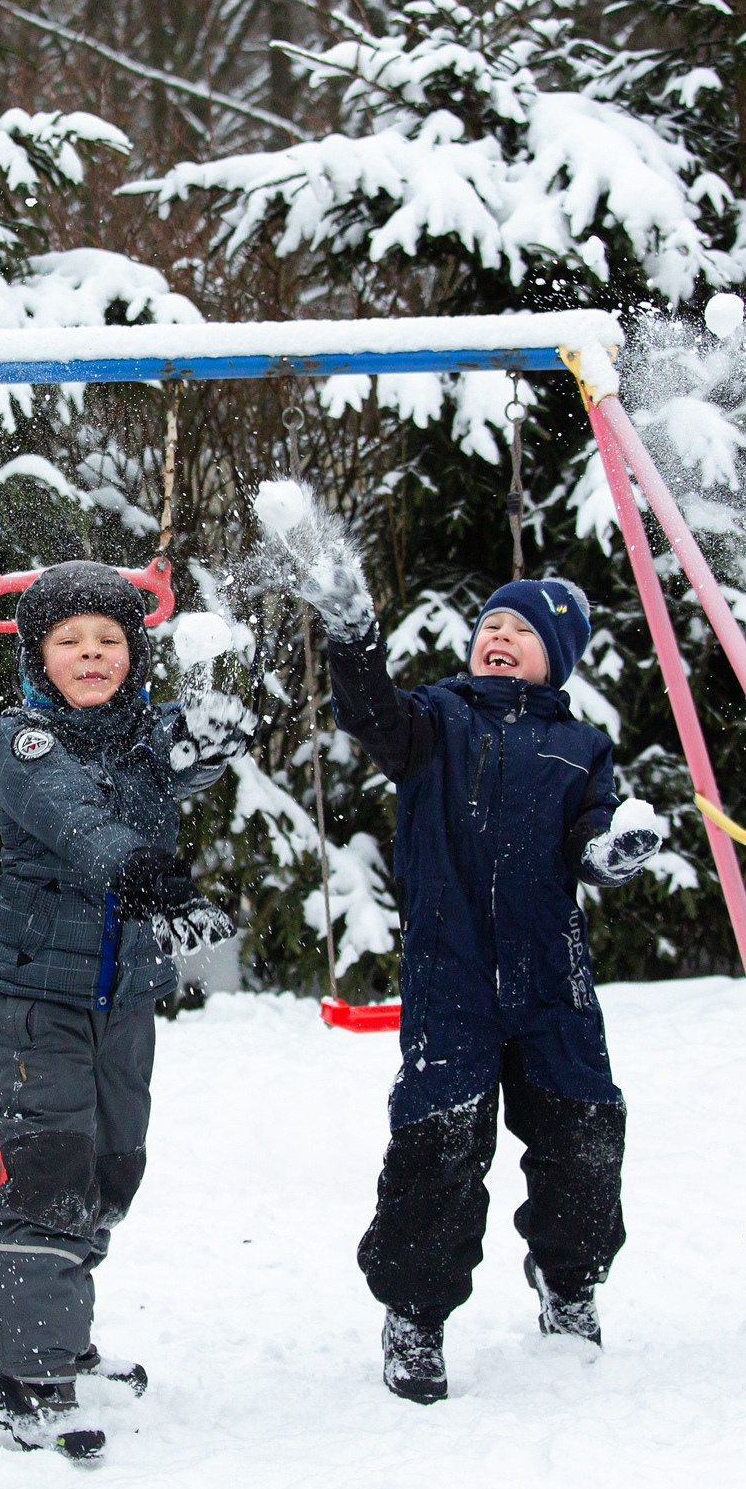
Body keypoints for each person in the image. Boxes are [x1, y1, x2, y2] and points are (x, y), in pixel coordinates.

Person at [305, 564, 664, 1404]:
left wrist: (611, 852)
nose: (500, 636)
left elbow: (593, 833)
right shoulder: (436, 720)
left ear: (558, 660)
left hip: (552, 979)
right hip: (451, 973)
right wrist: (355, 636)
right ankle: (416, 1313)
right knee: (440, 1146)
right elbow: (369, 714)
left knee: (584, 1138)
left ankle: (569, 1281)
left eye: (524, 632)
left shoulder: (580, 747)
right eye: (491, 625)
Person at [0, 560, 240, 1459]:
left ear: (133, 652)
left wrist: (212, 738)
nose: (92, 656)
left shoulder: (144, 735)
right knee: (52, 1171)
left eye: (109, 641)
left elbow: (182, 761)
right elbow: (82, 822)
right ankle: (29, 1371)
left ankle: (66, 1335)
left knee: (111, 1171)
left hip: (126, 994)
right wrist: (150, 878)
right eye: (69, 642)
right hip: (37, 1000)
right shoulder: (26, 743)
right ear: (37, 657)